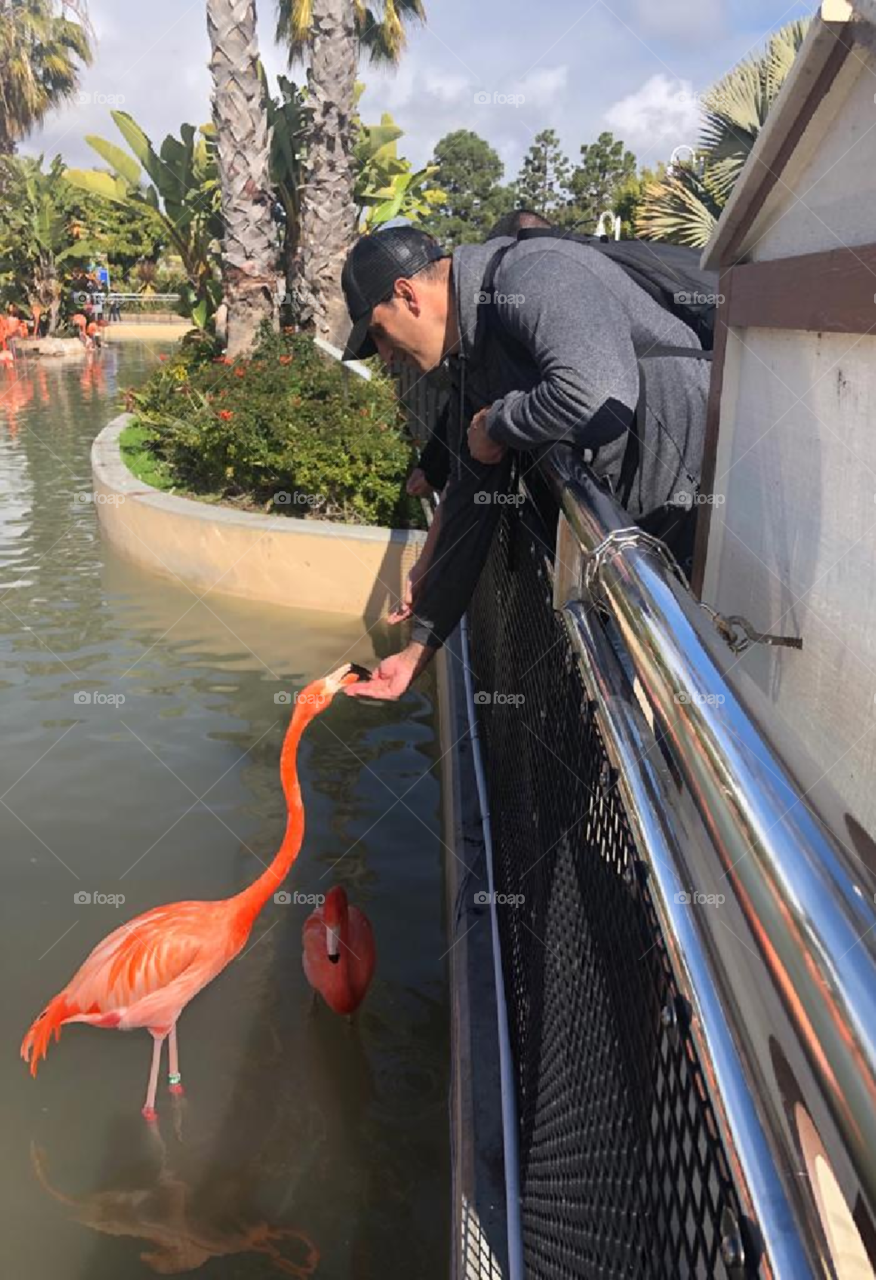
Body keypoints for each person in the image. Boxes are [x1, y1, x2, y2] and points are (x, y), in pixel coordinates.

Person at [341, 225, 709, 702]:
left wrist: (497, 422)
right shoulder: (474, 355)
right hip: (638, 536)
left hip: (698, 520)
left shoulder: (534, 274)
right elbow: (472, 502)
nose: (387, 358)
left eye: (379, 334)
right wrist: (417, 654)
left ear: (407, 294)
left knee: (689, 709)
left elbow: (600, 397)